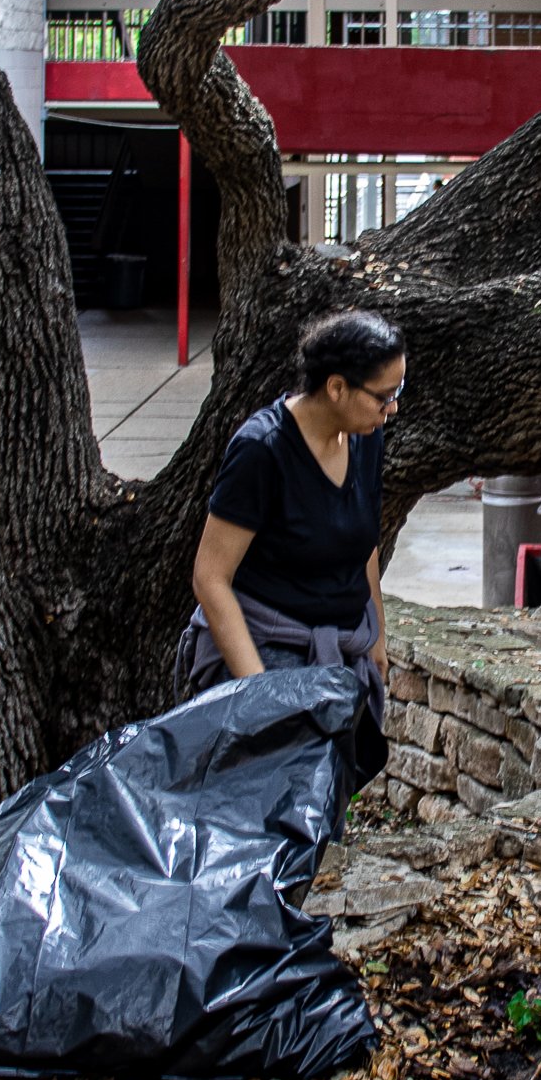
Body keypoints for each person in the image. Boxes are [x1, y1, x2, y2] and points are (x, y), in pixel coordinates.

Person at [174, 309, 405, 776]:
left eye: (397, 394)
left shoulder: (365, 437)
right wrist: (259, 695)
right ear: (337, 387)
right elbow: (210, 578)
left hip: (340, 654)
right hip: (267, 649)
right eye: (383, 396)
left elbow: (364, 542)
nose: (392, 409)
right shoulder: (262, 449)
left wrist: (375, 633)